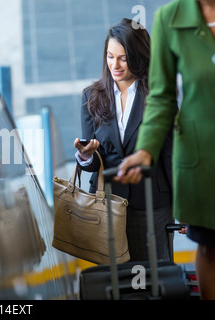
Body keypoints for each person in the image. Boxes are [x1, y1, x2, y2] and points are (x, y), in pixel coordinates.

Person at [114, 0, 215, 300]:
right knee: (210, 249)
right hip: (202, 161)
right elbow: (160, 97)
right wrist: (146, 150)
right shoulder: (170, 19)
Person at [74, 18, 175, 262]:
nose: (115, 65)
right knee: (115, 280)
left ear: (139, 55)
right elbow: (92, 162)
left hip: (152, 204)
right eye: (110, 56)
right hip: (107, 204)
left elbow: (172, 153)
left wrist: (181, 205)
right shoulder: (92, 97)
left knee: (155, 277)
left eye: (123, 57)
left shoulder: (158, 95)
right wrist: (86, 154)